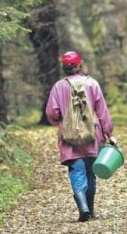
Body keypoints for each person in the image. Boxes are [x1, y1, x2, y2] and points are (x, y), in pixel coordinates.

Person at [46, 51, 115, 222]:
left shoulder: (58, 87)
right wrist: (108, 132)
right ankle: (90, 209)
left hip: (69, 139)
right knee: (91, 173)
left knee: (76, 171)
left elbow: (52, 113)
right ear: (80, 65)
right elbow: (102, 112)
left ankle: (82, 207)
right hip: (93, 136)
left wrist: (62, 122)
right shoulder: (92, 84)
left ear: (64, 67)